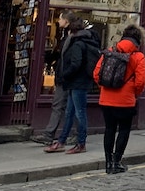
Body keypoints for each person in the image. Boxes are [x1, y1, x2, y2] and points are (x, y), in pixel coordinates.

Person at [94, 23, 145, 174]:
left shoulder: (110, 51)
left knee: (109, 129)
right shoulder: (138, 56)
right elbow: (141, 80)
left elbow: (97, 73)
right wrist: (134, 93)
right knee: (124, 130)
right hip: (126, 101)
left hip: (106, 99)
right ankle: (117, 161)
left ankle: (108, 163)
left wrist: (104, 88)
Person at [45, 16, 99, 154]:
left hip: (78, 83)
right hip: (77, 83)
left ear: (72, 30)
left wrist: (65, 74)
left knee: (80, 113)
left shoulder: (77, 44)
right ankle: (62, 141)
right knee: (69, 113)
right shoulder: (83, 41)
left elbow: (76, 64)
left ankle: (81, 143)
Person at [35, 11, 74, 145]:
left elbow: (72, 59)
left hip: (67, 78)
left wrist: (65, 73)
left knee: (65, 106)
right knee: (63, 106)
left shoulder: (71, 36)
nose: (58, 21)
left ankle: (63, 134)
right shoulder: (64, 34)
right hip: (63, 76)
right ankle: (52, 134)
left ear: (67, 21)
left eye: (60, 19)